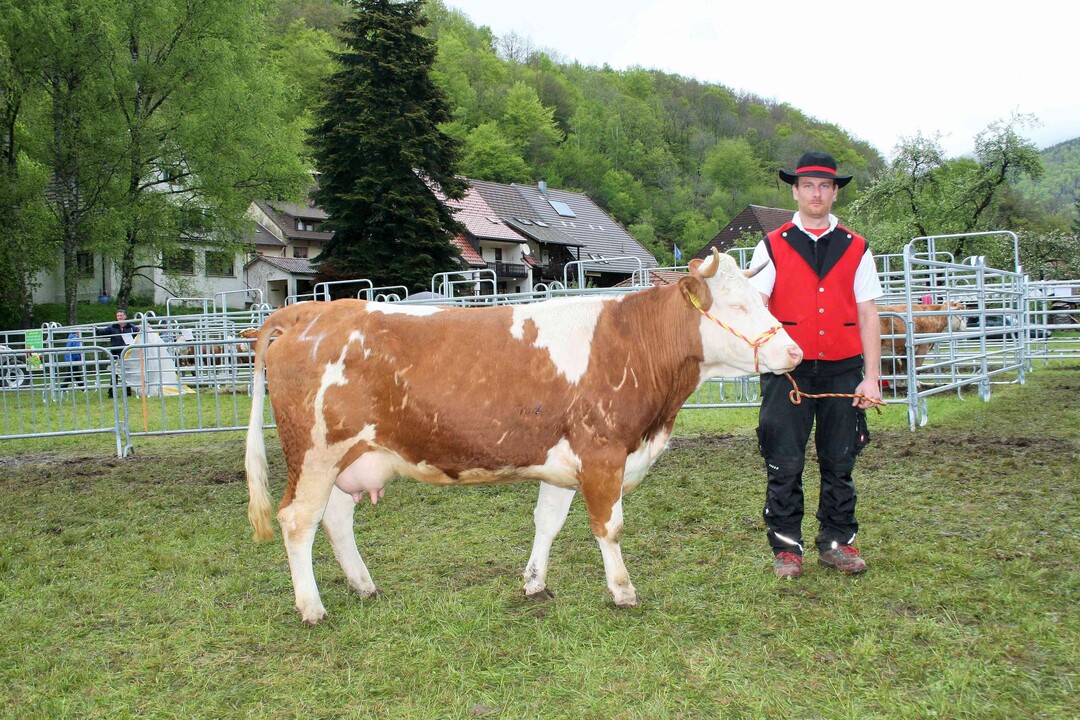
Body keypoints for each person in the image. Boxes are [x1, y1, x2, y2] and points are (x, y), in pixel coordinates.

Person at [747, 151, 883, 579]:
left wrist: (872, 377)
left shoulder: (858, 248)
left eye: (825, 186)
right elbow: (757, 307)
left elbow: (868, 315)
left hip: (844, 370)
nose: (816, 193)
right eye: (809, 185)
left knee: (840, 460)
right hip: (788, 371)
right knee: (784, 461)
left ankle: (837, 542)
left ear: (835, 192)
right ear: (796, 190)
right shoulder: (771, 245)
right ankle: (787, 548)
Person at [95, 309, 135, 398]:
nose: (119, 317)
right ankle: (111, 393)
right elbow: (103, 333)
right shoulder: (112, 327)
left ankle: (128, 392)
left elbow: (138, 335)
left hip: (128, 354)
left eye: (121, 315)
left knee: (127, 373)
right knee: (115, 373)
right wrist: (96, 329)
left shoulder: (131, 327)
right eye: (118, 316)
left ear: (125, 316)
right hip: (115, 354)